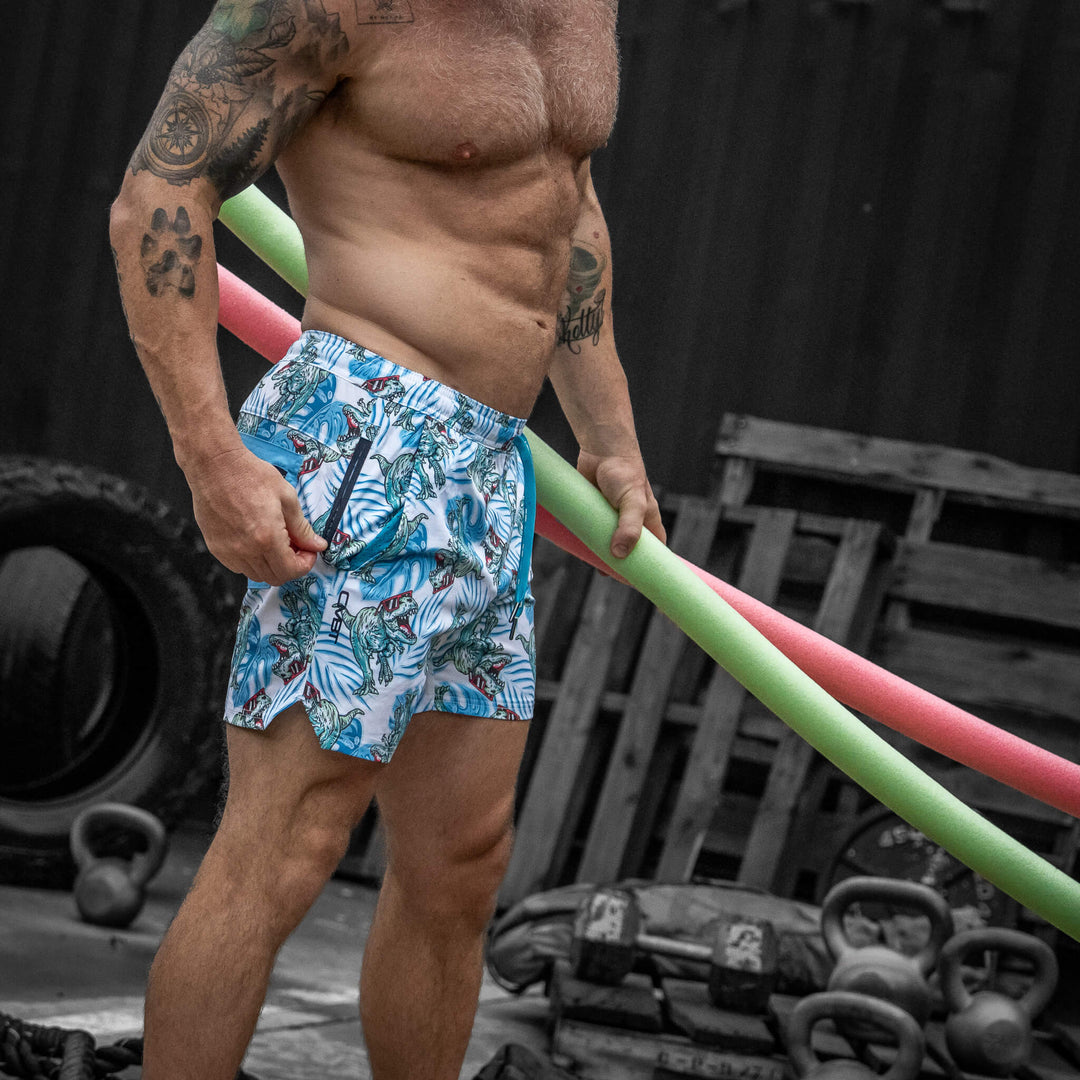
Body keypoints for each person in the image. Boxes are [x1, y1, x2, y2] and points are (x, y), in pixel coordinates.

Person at [109, 2, 664, 1078]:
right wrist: (212, 458)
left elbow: (567, 201)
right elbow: (157, 197)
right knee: (289, 845)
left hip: (491, 464)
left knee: (462, 863)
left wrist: (610, 434)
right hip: (367, 437)